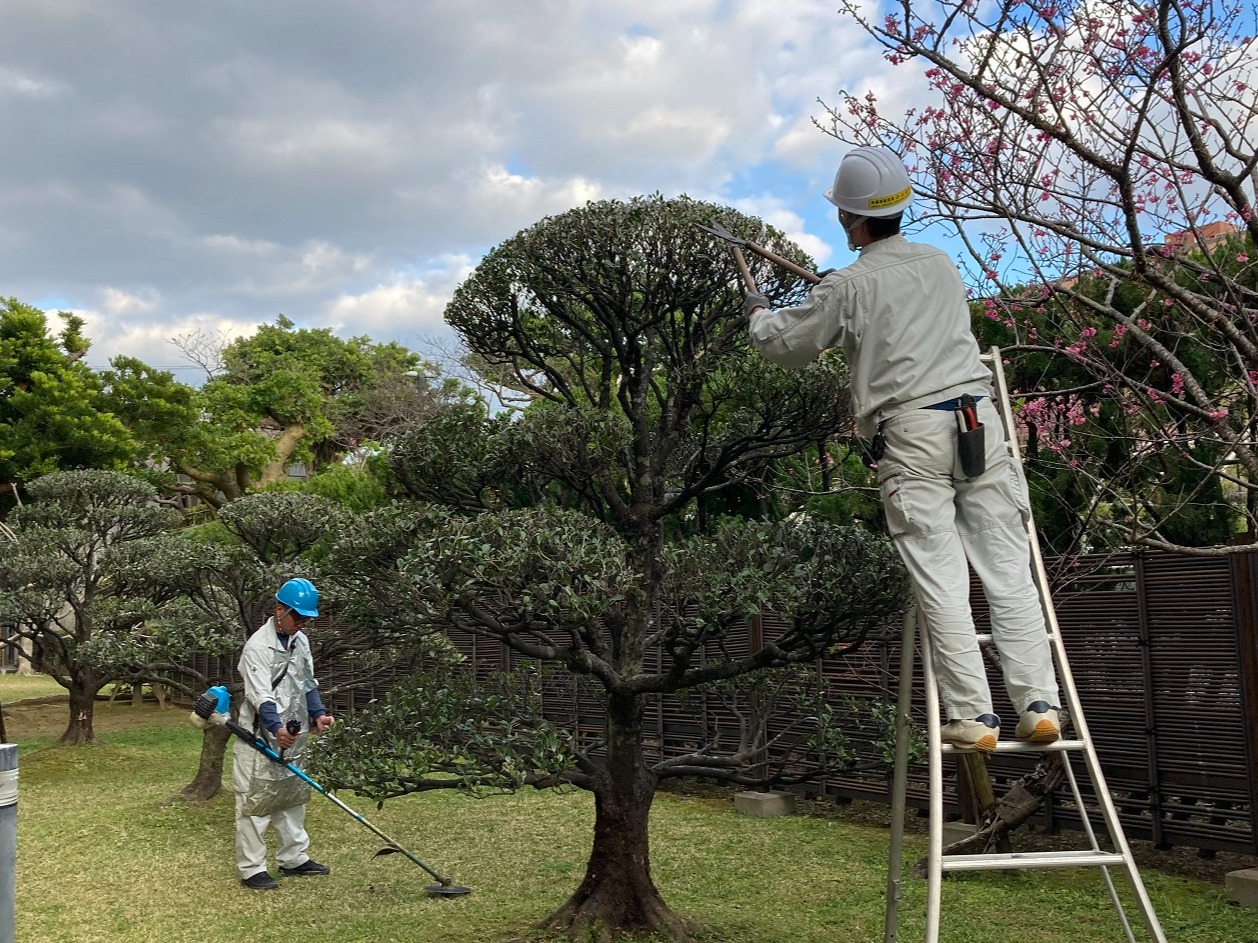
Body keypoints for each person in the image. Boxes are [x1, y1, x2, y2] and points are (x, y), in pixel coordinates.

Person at [745, 146, 1061, 753]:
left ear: (848, 219)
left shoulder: (847, 285)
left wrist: (759, 312)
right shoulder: (938, 262)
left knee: (943, 578)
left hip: (913, 435)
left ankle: (974, 716)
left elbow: (783, 345)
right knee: (1007, 571)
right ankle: (1038, 705)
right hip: (979, 421)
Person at [233, 577, 337, 889]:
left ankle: (295, 859)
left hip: (294, 733)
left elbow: (307, 682)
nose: (302, 624)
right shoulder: (256, 648)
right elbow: (261, 696)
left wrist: (318, 714)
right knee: (255, 802)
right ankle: (252, 869)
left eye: (307, 619)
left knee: (292, 796)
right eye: (298, 617)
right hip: (260, 736)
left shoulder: (299, 641)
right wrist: (276, 729)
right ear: (279, 609)